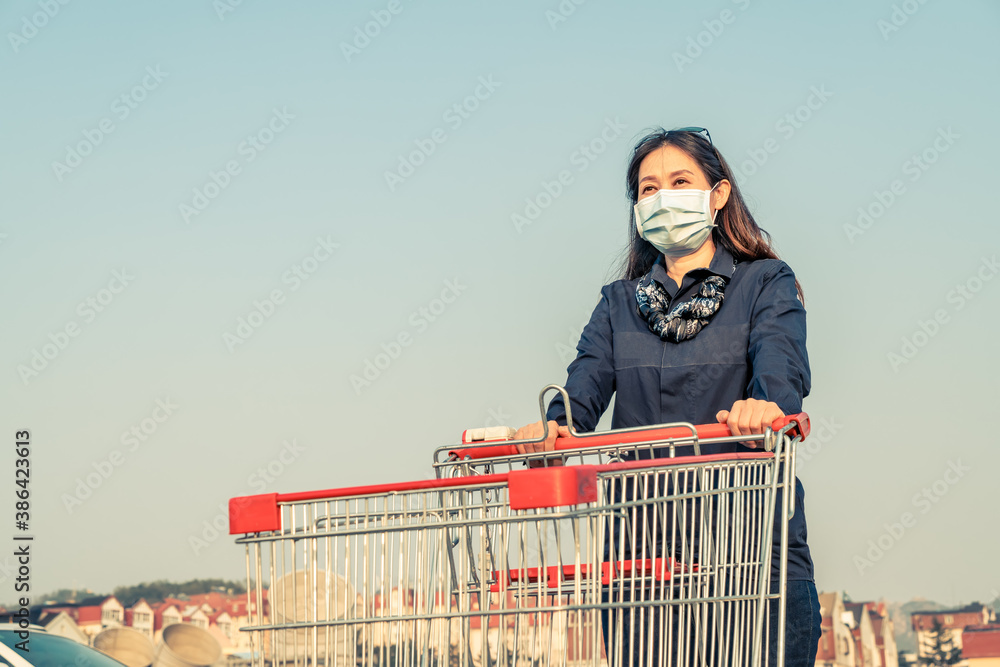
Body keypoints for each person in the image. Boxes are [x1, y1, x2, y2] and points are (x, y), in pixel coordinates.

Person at [513, 127, 821, 666]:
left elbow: (781, 362)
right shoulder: (617, 304)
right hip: (644, 553)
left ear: (717, 194)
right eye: (648, 189)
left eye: (680, 181)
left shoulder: (765, 283)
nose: (662, 198)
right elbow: (582, 386)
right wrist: (554, 426)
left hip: (747, 545)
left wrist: (767, 405)